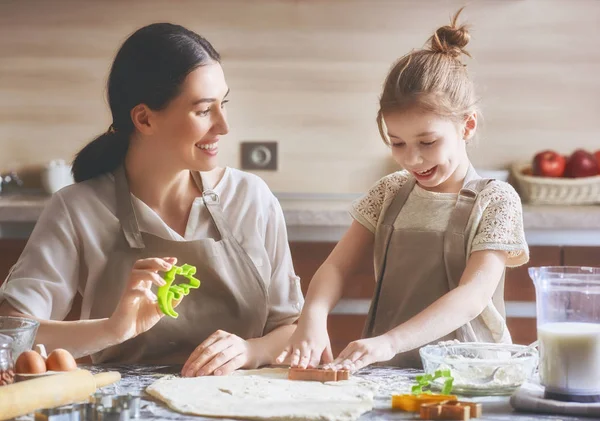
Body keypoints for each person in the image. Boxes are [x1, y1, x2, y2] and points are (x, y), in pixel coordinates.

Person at [0, 23, 304, 377]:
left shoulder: (252, 198)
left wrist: (250, 350)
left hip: (241, 403)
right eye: (205, 110)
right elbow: (10, 333)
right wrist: (114, 329)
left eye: (224, 104)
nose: (224, 126)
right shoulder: (77, 209)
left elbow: (293, 328)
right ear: (144, 118)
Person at [277, 9, 529, 370]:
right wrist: (313, 317)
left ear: (467, 126)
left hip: (472, 373)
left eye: (427, 142)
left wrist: (390, 342)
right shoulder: (389, 192)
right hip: (391, 367)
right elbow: (336, 267)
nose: (412, 159)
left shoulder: (496, 200)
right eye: (397, 143)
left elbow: (472, 297)